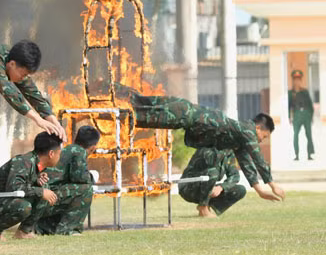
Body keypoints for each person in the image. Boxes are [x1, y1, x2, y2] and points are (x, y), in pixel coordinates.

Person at [115, 84, 285, 201]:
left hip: (183, 109)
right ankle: (106, 96)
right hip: (183, 114)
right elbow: (257, 159)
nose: (262, 140)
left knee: (137, 102)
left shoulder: (239, 137)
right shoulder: (247, 131)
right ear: (258, 127)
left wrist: (260, 190)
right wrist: (272, 184)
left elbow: (246, 162)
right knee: (133, 116)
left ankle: (112, 88)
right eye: (264, 136)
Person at [0, 132, 63, 240]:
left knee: (46, 192)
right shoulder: (23, 161)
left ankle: (24, 232)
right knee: (25, 205)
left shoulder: (35, 164)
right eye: (59, 153)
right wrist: (40, 191)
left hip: (2, 201)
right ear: (51, 154)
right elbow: (13, 187)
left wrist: (37, 182)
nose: (60, 157)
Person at [35, 125, 99, 235]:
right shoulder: (79, 151)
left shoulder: (66, 149)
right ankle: (69, 230)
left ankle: (44, 227)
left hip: (39, 198)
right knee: (85, 189)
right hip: (46, 199)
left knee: (69, 190)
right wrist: (92, 177)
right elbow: (80, 178)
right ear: (93, 147)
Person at [179, 148, 246, 218]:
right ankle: (203, 207)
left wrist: (221, 187)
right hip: (188, 187)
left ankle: (206, 206)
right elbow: (210, 173)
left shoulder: (229, 153)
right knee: (213, 173)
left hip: (205, 186)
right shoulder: (208, 149)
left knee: (240, 190)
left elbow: (235, 175)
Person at [288, 69, 315, 160]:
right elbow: (289, 106)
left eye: (299, 79)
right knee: (295, 135)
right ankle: (296, 155)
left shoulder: (305, 91)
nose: (297, 81)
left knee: (309, 134)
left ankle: (309, 154)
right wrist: (290, 117)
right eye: (295, 79)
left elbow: (310, 105)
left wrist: (311, 116)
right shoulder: (290, 93)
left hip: (306, 114)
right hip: (297, 114)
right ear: (293, 80)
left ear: (300, 80)